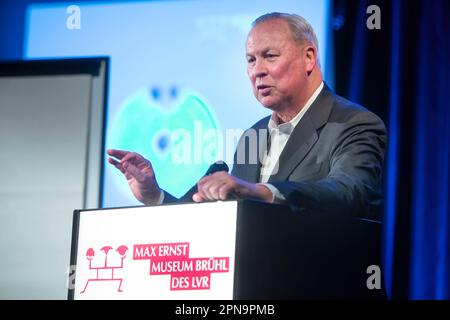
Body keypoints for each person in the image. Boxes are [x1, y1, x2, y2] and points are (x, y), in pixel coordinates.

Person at [107, 12, 386, 219]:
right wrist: (154, 195)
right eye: (251, 60)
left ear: (309, 58)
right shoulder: (254, 135)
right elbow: (209, 222)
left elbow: (349, 192)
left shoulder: (354, 125)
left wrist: (262, 192)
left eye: (270, 56)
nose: (257, 71)